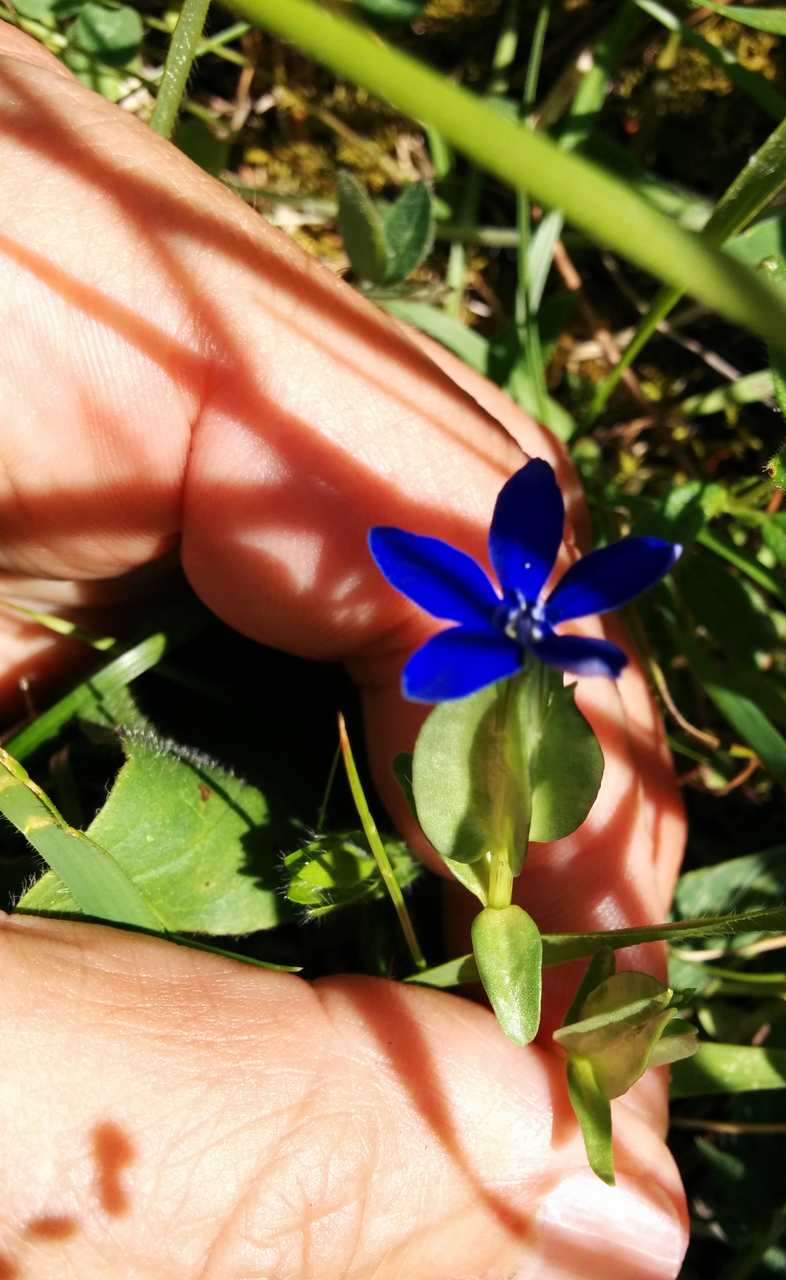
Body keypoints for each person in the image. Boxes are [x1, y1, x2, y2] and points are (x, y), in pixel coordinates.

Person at [0, 24, 687, 1278]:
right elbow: (439, 657)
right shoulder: (458, 640)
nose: (541, 620)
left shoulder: (534, 650)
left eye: (552, 619)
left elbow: (537, 639)